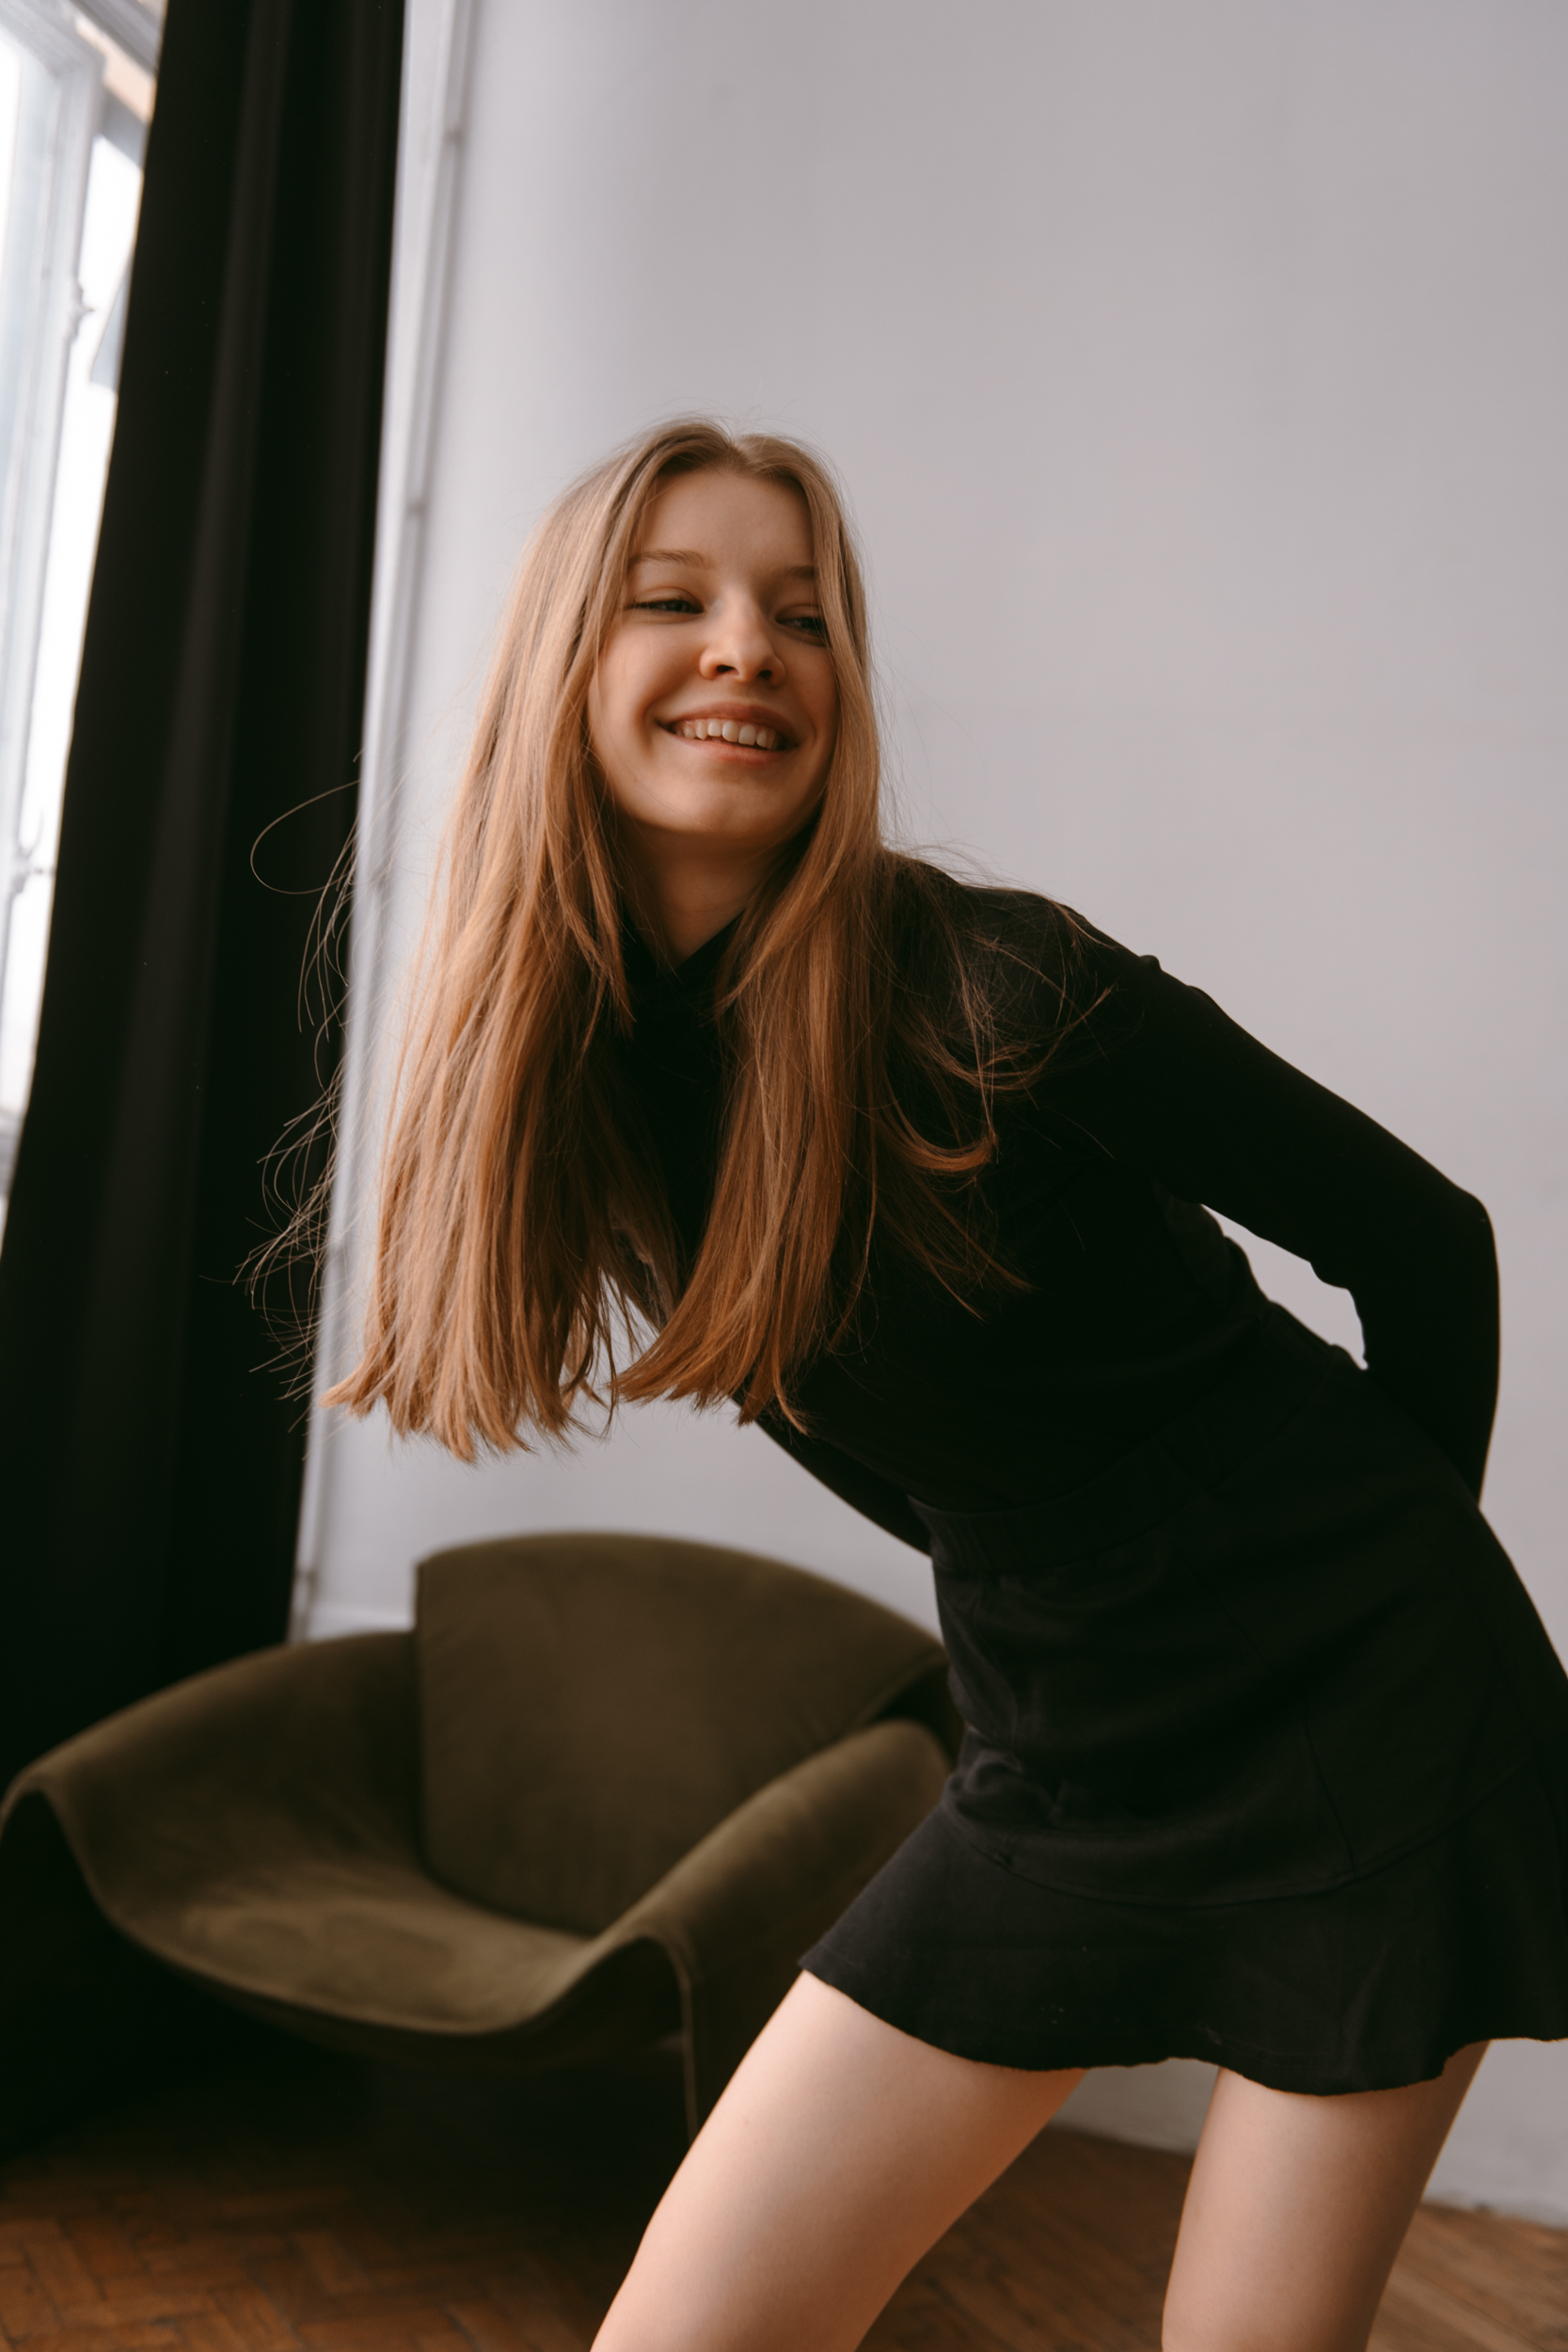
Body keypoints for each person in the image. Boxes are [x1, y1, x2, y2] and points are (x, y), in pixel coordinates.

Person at [325, 420, 1568, 2352]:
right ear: (561, 667)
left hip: (1372, 1720)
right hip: (1065, 1752)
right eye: (674, 599)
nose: (751, 646)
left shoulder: (999, 989)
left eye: (804, 613)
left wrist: (1368, 1615)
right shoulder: (594, 1091)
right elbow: (887, 1441)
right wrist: (1064, 1574)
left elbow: (1423, 1241)